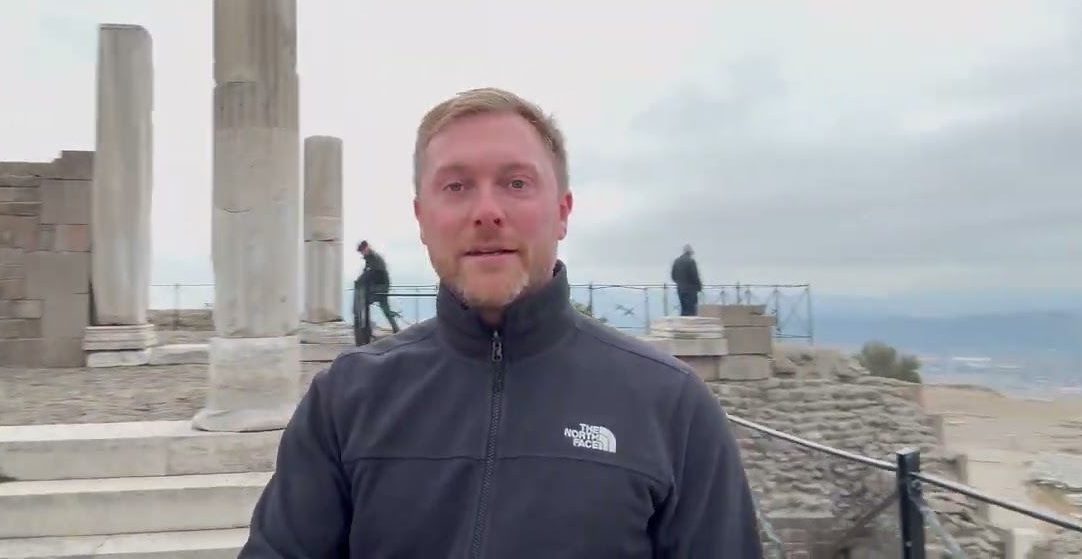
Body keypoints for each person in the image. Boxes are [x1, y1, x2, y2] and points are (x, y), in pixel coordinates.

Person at [240, 88, 763, 558]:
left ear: (562, 212)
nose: (487, 211)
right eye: (457, 186)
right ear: (422, 219)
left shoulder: (672, 407)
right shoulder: (345, 400)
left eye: (515, 182)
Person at [354, 240, 401, 333]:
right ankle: (396, 329)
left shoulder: (373, 258)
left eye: (362, 251)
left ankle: (366, 330)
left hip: (380, 286)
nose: (362, 253)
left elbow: (375, 273)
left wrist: (361, 281)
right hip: (381, 286)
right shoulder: (370, 258)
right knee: (385, 308)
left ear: (366, 248)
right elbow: (368, 272)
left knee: (365, 302)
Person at [670, 244, 703, 316]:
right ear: (690, 253)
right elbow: (694, 276)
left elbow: (673, 276)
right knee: (691, 310)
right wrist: (699, 287)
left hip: (680, 289)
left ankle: (683, 325)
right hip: (690, 290)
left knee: (684, 308)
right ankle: (690, 326)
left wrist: (679, 283)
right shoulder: (691, 261)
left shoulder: (676, 261)